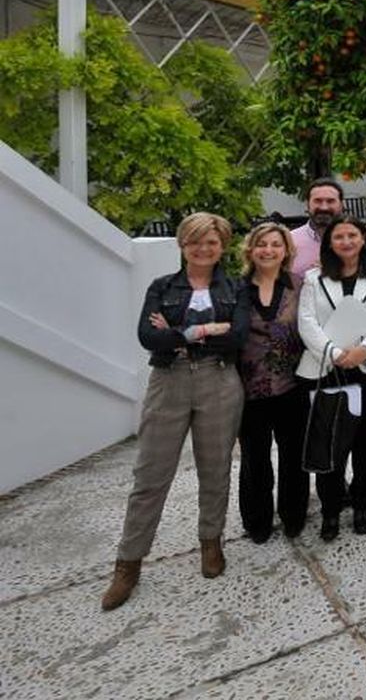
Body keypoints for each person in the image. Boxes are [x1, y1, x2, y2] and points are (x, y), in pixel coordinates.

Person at [102, 213, 246, 611]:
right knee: (151, 472)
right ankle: (128, 563)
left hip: (219, 381)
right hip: (169, 381)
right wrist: (204, 330)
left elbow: (237, 334)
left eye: (212, 242)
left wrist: (181, 333)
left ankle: (210, 543)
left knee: (215, 467)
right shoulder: (162, 287)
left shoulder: (235, 288)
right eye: (195, 242)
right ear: (183, 245)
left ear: (222, 246)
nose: (203, 249)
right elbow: (148, 336)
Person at [297, 215, 366, 541]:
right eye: (338, 237)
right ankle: (330, 510)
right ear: (330, 243)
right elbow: (306, 321)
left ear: (363, 238)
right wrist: (334, 353)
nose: (346, 242)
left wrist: (365, 349)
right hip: (328, 371)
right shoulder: (314, 278)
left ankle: (362, 504)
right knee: (331, 443)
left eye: (351, 235)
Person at [235, 222, 309, 544]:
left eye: (275, 244)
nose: (268, 250)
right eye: (261, 244)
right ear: (250, 250)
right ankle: (257, 520)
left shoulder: (300, 284)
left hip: (293, 386)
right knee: (255, 458)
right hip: (248, 389)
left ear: (286, 250)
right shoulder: (234, 289)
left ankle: (293, 515)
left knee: (294, 456)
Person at [290, 177, 344, 283]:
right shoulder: (290, 241)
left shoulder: (355, 241)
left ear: (341, 205)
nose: (324, 207)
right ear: (308, 205)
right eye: (318, 201)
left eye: (331, 201)